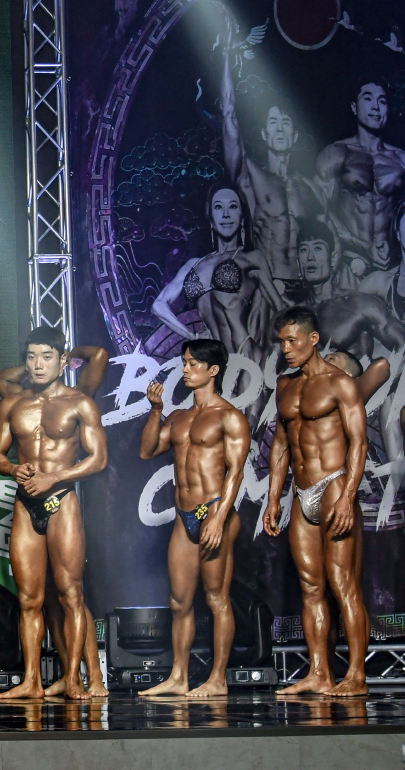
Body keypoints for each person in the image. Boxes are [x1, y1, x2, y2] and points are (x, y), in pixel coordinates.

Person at [0, 325, 108, 700]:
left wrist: (53, 477)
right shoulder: (13, 404)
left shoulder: (79, 403)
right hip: (26, 505)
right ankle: (31, 681)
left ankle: (73, 679)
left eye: (46, 357)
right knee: (29, 599)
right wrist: (13, 469)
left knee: (70, 595)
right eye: (32, 357)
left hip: (61, 502)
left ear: (62, 360)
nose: (38, 365)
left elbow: (98, 459)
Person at [265, 306, 370, 696]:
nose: (286, 349)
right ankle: (320, 673)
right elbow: (280, 445)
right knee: (310, 587)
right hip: (301, 492)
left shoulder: (340, 383)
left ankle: (356, 676)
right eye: (282, 342)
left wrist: (348, 496)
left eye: (292, 341)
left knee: (342, 582)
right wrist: (273, 498)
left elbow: (359, 442)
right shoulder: (285, 385)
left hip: (334, 485)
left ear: (313, 339)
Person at [137, 339, 250, 697]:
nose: (185, 369)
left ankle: (217, 679)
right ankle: (178, 677)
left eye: (192, 364)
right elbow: (147, 452)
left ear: (213, 370)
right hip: (184, 515)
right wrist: (156, 410)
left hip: (214, 511)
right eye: (184, 363)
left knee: (216, 598)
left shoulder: (229, 416)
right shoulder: (178, 417)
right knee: (179, 601)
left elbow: (236, 472)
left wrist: (218, 518)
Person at [219, 19, 318, 286]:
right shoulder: (251, 176)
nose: (280, 129)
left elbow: (328, 238)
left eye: (286, 123)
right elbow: (228, 114)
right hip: (269, 286)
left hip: (306, 289)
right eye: (273, 123)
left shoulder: (309, 188)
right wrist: (227, 56)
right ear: (264, 134)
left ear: (294, 136)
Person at [152, 185, 284, 362]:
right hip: (214, 359)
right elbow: (158, 306)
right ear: (211, 218)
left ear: (242, 217)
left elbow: (279, 311)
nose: (226, 214)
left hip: (245, 355)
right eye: (218, 207)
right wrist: (191, 336)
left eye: (233, 206)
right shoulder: (194, 264)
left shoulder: (251, 258)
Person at [316, 79, 405, 290]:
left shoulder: (401, 160)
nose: (376, 107)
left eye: (382, 101)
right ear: (354, 107)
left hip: (392, 267)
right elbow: (319, 210)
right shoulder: (336, 153)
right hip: (349, 263)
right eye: (368, 99)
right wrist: (363, 247)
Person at [296, 219, 405, 359]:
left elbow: (403, 344)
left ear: (333, 258)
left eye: (318, 248)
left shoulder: (359, 304)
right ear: (298, 262)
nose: (310, 257)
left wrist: (379, 372)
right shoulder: (287, 317)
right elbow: (271, 367)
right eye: (304, 250)